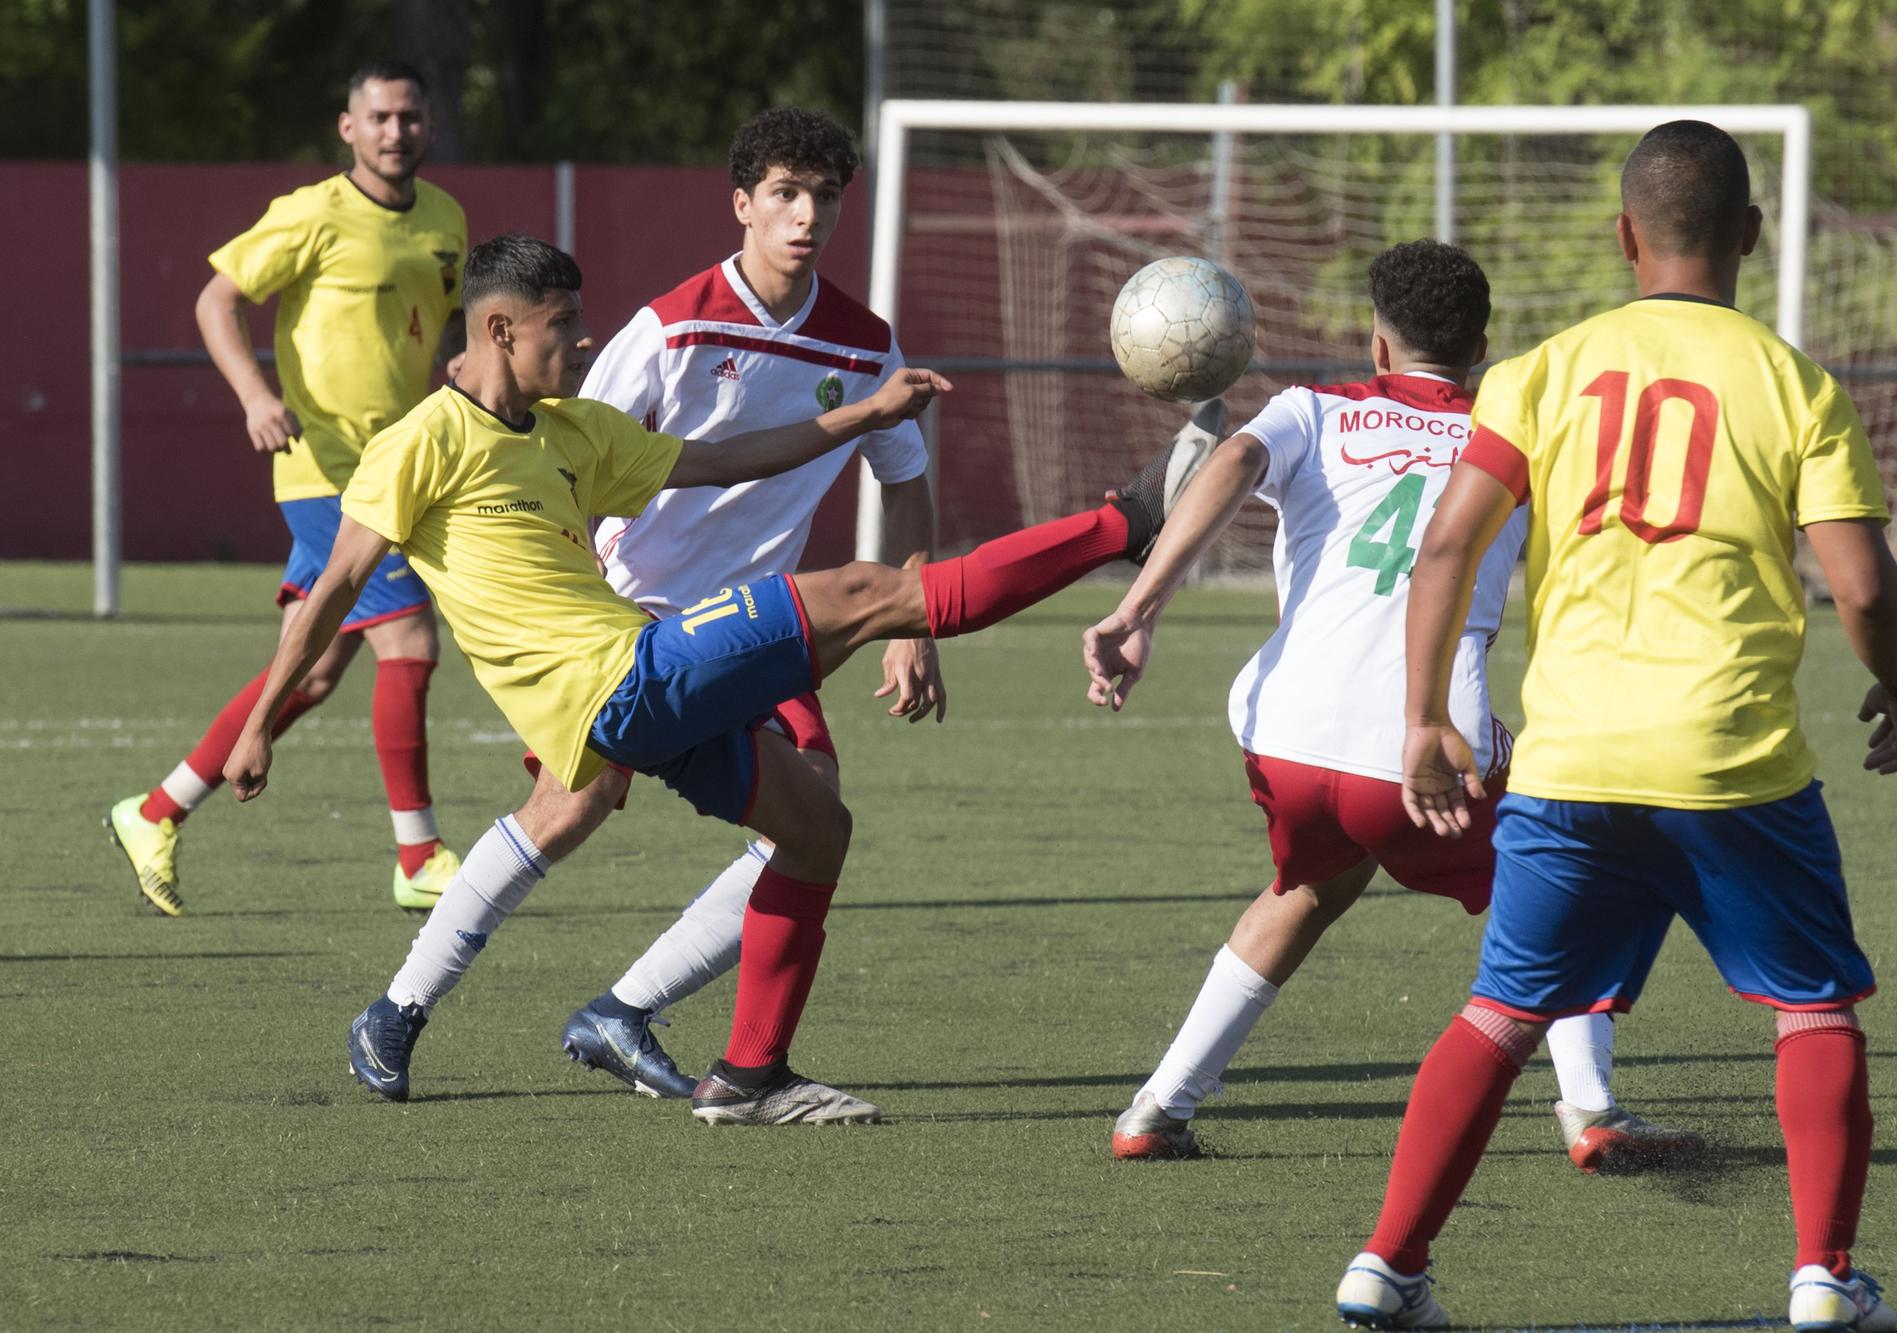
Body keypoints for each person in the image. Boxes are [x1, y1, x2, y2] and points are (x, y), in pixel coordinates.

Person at [224, 233, 1201, 1127]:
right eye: (562, 323)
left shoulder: (570, 431)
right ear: (497, 329)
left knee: (817, 830)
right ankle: (1127, 520)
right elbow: (329, 592)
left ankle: (748, 1076)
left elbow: (722, 458)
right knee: (872, 591)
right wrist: (261, 719)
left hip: (635, 689)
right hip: (623, 683)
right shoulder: (422, 442)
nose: (581, 337)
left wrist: (862, 413)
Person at [1333, 122, 1897, 1332]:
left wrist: (1420, 719)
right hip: (1730, 758)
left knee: (1498, 1012)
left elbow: (1446, 543)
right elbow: (1859, 585)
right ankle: (1823, 1277)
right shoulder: (1791, 382)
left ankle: (1385, 1264)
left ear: (1621, 235)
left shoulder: (1538, 371)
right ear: (1752, 236)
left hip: (1572, 755)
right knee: (1811, 1008)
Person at [1083, 240, 1694, 1172]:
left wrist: (1137, 606)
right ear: (1483, 345)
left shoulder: (1311, 411)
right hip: (1422, 743)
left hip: (1285, 737)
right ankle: (1594, 1108)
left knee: (1310, 887)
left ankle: (1157, 1106)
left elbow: (1234, 461)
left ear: (1376, 344)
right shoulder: (1519, 432)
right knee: (1566, 885)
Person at [530, 108, 946, 1099]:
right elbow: (574, 461)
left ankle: (666, 1031)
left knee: (813, 818)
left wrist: (910, 619)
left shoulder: (862, 342)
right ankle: (413, 1004)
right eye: (785, 194)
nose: (807, 215)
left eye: (826, 196)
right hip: (633, 620)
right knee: (567, 812)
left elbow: (905, 475)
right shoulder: (670, 325)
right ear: (742, 205)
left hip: (757, 625)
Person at [105, 59, 468, 916]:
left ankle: (154, 812)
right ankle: (417, 852)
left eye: (409, 117)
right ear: (349, 127)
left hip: (400, 463)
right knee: (410, 640)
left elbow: (436, 328)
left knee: (307, 672)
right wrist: (257, 396)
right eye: (378, 117)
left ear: (427, 125)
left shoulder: (448, 219)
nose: (395, 132)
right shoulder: (314, 212)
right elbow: (215, 301)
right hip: (327, 467)